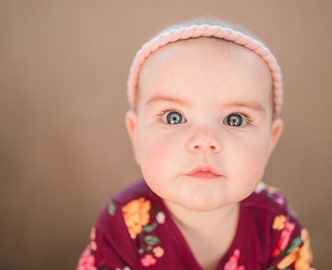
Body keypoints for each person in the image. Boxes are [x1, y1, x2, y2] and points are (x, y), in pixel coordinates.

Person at [77, 18, 314, 270]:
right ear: (136, 136)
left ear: (270, 141)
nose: (204, 141)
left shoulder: (276, 225)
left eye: (235, 119)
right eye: (174, 117)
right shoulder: (124, 224)